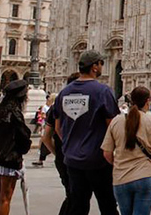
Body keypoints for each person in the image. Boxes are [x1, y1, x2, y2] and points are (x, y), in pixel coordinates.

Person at [53, 50, 121, 215]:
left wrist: (71, 144)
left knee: (78, 205)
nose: (102, 67)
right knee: (108, 205)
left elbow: (57, 127)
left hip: (72, 160)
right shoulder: (102, 91)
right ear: (95, 67)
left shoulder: (64, 92)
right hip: (98, 160)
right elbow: (113, 126)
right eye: (101, 64)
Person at [102, 86, 151, 215]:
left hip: (121, 178)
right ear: (148, 101)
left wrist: (119, 164)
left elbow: (107, 153)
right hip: (146, 176)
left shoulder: (116, 121)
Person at [0, 80, 32, 215]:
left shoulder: (1, 111)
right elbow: (24, 136)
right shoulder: (15, 113)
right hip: (9, 159)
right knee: (5, 199)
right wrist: (23, 148)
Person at [42, 73, 80, 215]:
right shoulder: (87, 104)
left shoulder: (57, 105)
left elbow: (46, 137)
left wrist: (58, 154)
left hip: (63, 157)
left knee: (72, 195)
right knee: (77, 197)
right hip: (79, 157)